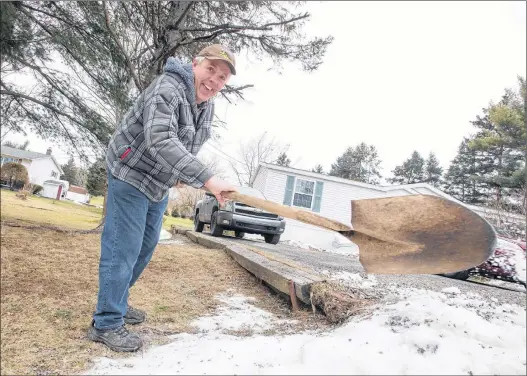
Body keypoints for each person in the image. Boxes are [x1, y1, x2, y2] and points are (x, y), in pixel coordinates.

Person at [87, 44, 238, 352]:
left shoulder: (205, 106)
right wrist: (207, 178)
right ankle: (105, 322)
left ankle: (116, 301)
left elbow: (188, 146)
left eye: (222, 77)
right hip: (130, 170)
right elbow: (160, 139)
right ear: (195, 64)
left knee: (144, 248)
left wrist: (184, 177)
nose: (214, 81)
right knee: (123, 248)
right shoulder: (167, 88)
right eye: (211, 70)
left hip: (157, 181)